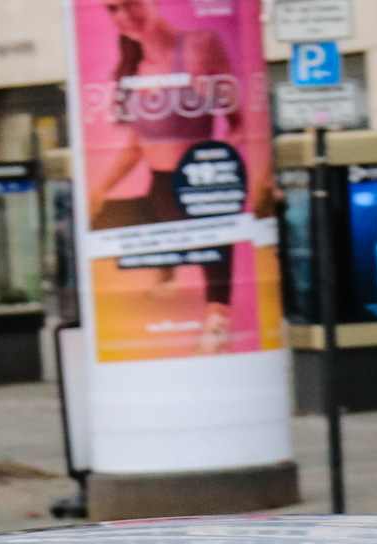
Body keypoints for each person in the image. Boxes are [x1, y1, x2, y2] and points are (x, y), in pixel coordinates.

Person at [86, 0, 258, 355]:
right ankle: (168, 256)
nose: (124, 16)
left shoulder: (199, 44)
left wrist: (220, 160)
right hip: (158, 189)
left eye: (130, 3)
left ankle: (216, 320)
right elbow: (135, 148)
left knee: (212, 226)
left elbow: (240, 121)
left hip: (200, 182)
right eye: (112, 9)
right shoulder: (134, 72)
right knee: (96, 219)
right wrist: (100, 190)